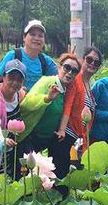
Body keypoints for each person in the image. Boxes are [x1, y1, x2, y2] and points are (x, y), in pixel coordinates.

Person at [17, 53, 81, 194]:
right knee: (24, 175)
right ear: (59, 67)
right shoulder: (47, 82)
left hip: (46, 140)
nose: (69, 72)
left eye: (74, 71)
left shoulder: (67, 91)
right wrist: (46, 98)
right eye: (67, 67)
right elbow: (26, 104)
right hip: (30, 136)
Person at [0, 59, 27, 177]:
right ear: (4, 77)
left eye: (19, 80)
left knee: (9, 182)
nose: (15, 82)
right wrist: (1, 139)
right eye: (11, 78)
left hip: (12, 149)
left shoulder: (19, 94)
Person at [58, 46, 102, 154]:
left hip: (79, 139)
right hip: (67, 135)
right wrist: (62, 130)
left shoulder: (88, 86)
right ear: (82, 60)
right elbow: (68, 105)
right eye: (89, 59)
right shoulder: (75, 79)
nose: (92, 63)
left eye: (96, 63)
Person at [0, 19, 58, 90]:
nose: (36, 38)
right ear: (24, 37)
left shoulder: (46, 62)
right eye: (32, 34)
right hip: (13, 100)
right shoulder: (13, 55)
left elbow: (59, 79)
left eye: (40, 36)